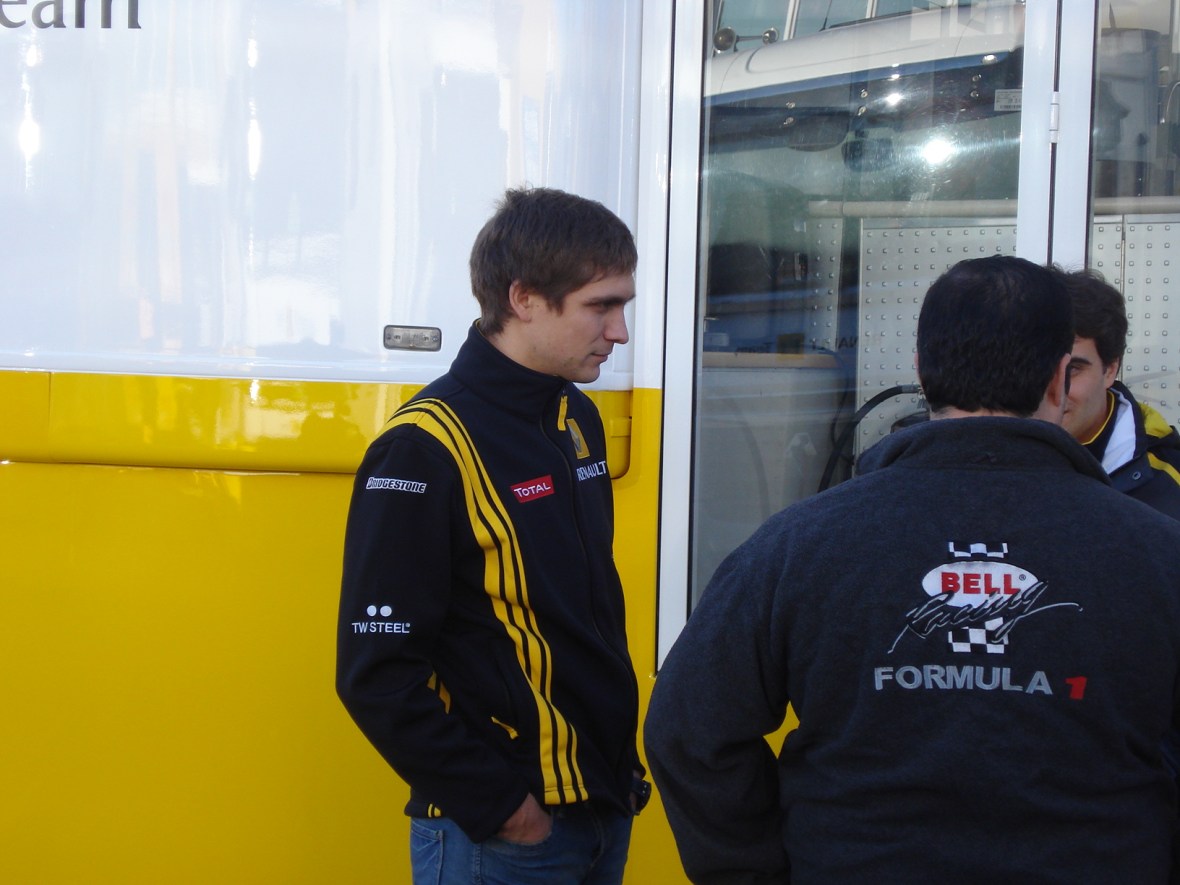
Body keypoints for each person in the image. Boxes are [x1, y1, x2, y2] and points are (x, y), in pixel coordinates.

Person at [644, 255, 1180, 883]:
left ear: (922, 372)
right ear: (1062, 379)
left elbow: (688, 730)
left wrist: (759, 868)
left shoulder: (798, 546)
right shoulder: (1157, 552)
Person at [337, 187, 647, 885]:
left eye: (623, 305)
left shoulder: (575, 418)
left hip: (601, 807)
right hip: (506, 839)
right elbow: (376, 673)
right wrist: (506, 809)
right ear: (524, 298)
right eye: (601, 306)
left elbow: (579, 620)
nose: (620, 331)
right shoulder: (422, 448)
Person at [1059, 268, 1180, 519]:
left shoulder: (1171, 479)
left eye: (1072, 370)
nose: (1053, 389)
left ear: (1110, 369)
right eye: (1038, 367)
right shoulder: (984, 462)